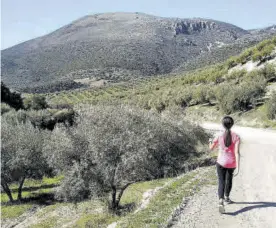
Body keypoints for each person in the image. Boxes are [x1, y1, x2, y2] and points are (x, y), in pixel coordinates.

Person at [209, 116, 240, 214]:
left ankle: (221, 200)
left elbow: (211, 148)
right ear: (232, 124)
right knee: (229, 180)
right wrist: (238, 167)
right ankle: (227, 197)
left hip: (221, 162)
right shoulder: (236, 136)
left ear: (222, 124)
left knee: (221, 181)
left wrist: (210, 141)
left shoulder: (219, 135)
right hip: (232, 163)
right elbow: (237, 153)